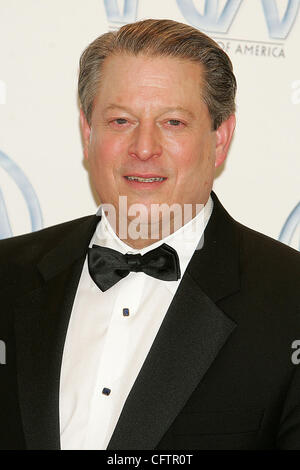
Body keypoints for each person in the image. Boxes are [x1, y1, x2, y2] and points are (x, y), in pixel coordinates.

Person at [0, 18, 299, 451]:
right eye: (121, 120)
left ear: (220, 138)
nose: (144, 147)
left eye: (173, 122)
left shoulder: (290, 298)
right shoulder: (6, 275)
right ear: (88, 133)